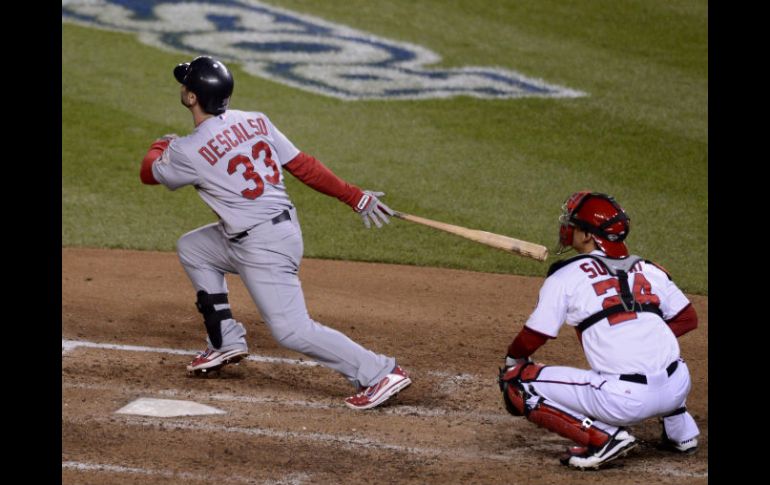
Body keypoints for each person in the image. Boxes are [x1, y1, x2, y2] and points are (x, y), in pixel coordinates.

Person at [139, 55, 411, 410]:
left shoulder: (187, 151)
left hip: (262, 247)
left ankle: (379, 372)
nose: (182, 87)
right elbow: (303, 166)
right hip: (272, 231)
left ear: (192, 98)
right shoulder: (256, 120)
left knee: (291, 330)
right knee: (194, 248)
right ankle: (225, 340)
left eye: (185, 84)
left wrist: (160, 145)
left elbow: (148, 173)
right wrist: (354, 196)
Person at [498, 191, 700, 469]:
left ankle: (604, 437)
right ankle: (682, 430)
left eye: (574, 223)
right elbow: (688, 318)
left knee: (517, 382)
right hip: (677, 387)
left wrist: (513, 359)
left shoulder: (566, 275)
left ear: (588, 235)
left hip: (624, 401)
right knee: (666, 356)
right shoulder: (649, 269)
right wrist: (640, 337)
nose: (567, 227)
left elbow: (537, 334)